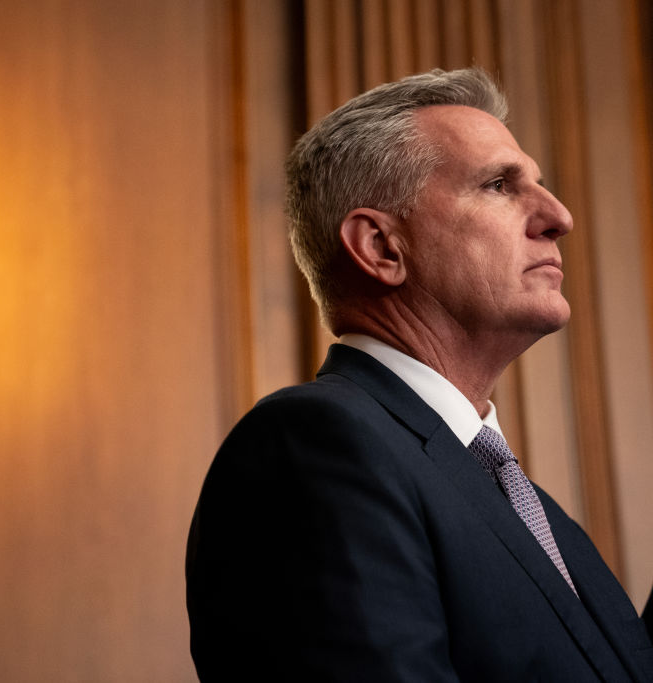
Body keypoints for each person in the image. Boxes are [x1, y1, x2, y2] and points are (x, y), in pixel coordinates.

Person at [185, 67, 653, 681]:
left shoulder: (524, 504)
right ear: (382, 248)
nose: (559, 216)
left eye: (541, 185)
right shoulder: (314, 447)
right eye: (498, 185)